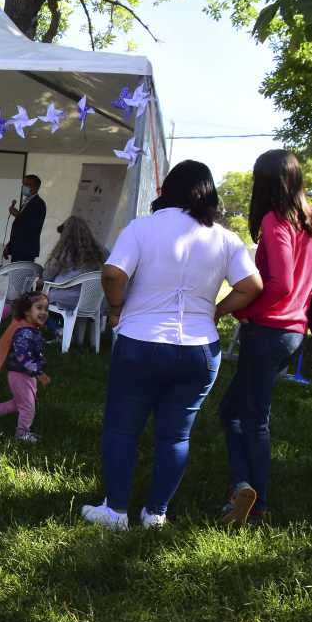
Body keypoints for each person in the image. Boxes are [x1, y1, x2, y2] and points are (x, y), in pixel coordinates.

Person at [80, 161, 263, 531]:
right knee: (176, 434)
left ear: (167, 189)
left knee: (121, 428)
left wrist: (117, 307)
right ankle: (156, 513)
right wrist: (217, 311)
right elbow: (252, 286)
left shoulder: (142, 228)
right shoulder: (225, 238)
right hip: (199, 349)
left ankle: (115, 511)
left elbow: (113, 273)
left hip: (141, 342)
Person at [217, 150, 312, 527]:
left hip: (268, 330)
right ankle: (243, 487)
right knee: (233, 410)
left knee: (253, 418)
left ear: (264, 182)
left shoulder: (274, 220)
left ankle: (255, 501)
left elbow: (281, 281)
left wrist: (245, 311)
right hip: (294, 332)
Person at [0, 292, 52, 443]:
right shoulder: (24, 333)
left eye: (46, 309)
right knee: (28, 407)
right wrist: (39, 372)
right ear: (27, 311)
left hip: (26, 375)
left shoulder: (31, 330)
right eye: (39, 308)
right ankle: (22, 434)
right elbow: (23, 356)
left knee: (21, 402)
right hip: (20, 375)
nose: (43, 312)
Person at [41, 215, 109, 341]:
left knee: (37, 302)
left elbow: (47, 276)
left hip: (67, 299)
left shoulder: (63, 252)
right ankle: (72, 336)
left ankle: (59, 330)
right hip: (93, 301)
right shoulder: (101, 252)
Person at [4, 174, 46, 263]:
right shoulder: (26, 202)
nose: (23, 187)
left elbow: (32, 226)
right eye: (23, 184)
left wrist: (17, 214)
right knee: (15, 276)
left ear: (34, 187)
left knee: (22, 276)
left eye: (26, 184)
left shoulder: (39, 204)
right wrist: (9, 245)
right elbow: (19, 229)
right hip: (18, 249)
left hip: (26, 251)